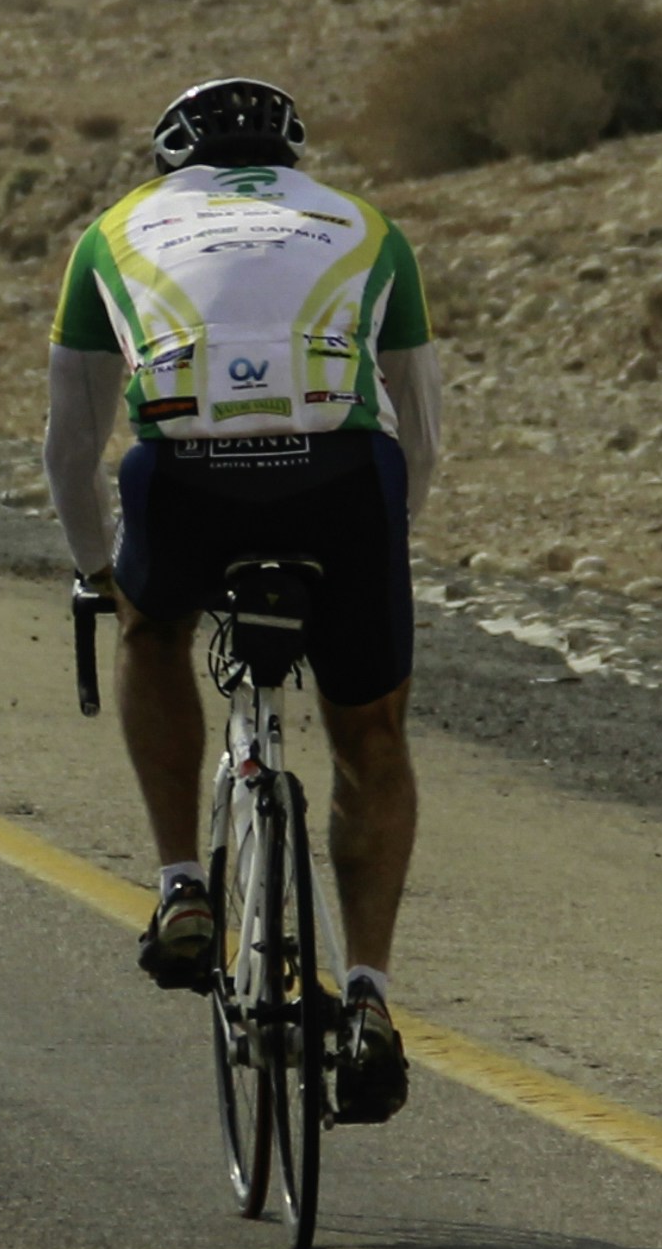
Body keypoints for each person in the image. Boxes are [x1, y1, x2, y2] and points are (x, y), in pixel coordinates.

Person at [40, 75, 444, 1125]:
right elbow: (425, 433)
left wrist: (97, 574)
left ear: (172, 161)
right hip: (342, 486)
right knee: (373, 740)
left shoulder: (112, 233)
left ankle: (181, 882)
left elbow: (73, 445)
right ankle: (370, 999)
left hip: (187, 482)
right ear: (292, 159)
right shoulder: (367, 226)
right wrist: (376, 548)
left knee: (154, 631)